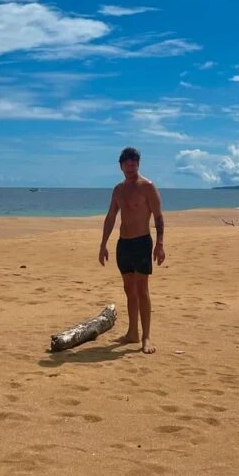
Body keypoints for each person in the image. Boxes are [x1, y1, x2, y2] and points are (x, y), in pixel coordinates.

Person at [98, 146, 165, 354]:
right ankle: (132, 333)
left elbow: (158, 217)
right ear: (121, 166)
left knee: (142, 289)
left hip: (142, 242)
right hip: (123, 244)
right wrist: (103, 244)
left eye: (134, 164)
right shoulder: (118, 190)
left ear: (138, 165)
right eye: (127, 165)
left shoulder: (147, 187)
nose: (130, 168)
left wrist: (159, 244)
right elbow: (110, 217)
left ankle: (146, 337)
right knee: (129, 289)